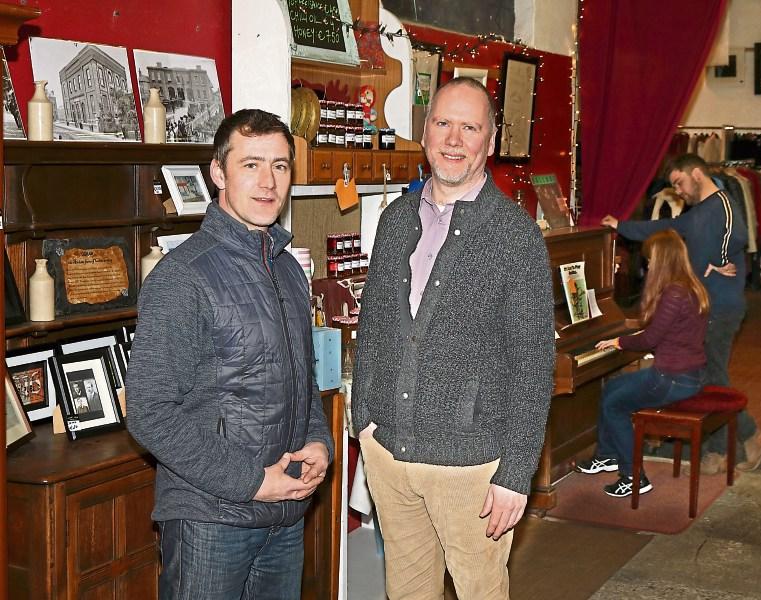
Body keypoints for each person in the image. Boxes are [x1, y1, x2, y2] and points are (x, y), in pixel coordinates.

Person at [351, 78, 554, 599]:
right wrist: (364, 420)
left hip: (471, 469)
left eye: (470, 127)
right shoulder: (395, 221)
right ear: (425, 132)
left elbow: (533, 364)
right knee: (407, 592)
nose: (454, 139)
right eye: (443, 123)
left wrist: (516, 474)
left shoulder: (515, 236)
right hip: (390, 455)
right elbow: (373, 326)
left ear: (491, 141)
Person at [126, 109, 333, 600]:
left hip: (284, 516)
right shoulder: (182, 277)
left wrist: (319, 441)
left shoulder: (289, 271)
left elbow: (301, 379)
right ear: (218, 173)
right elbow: (150, 412)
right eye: (251, 164)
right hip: (210, 521)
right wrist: (252, 481)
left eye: (280, 166)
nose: (268, 182)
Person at [601, 153, 761, 473]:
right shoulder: (698, 213)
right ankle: (733, 444)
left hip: (720, 308)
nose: (678, 191)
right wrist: (621, 226)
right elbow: (665, 226)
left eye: (679, 183)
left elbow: (738, 235)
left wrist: (720, 260)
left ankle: (739, 442)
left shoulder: (722, 202)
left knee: (712, 377)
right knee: (707, 376)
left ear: (696, 173)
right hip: (705, 308)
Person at [578, 229, 708, 496]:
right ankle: (607, 455)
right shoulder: (691, 287)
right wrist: (627, 338)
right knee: (612, 389)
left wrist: (618, 342)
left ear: (660, 260)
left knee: (615, 405)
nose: (647, 266)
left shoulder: (673, 293)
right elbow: (667, 333)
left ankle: (632, 476)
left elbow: (650, 339)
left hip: (671, 378)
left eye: (649, 261)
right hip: (688, 374)